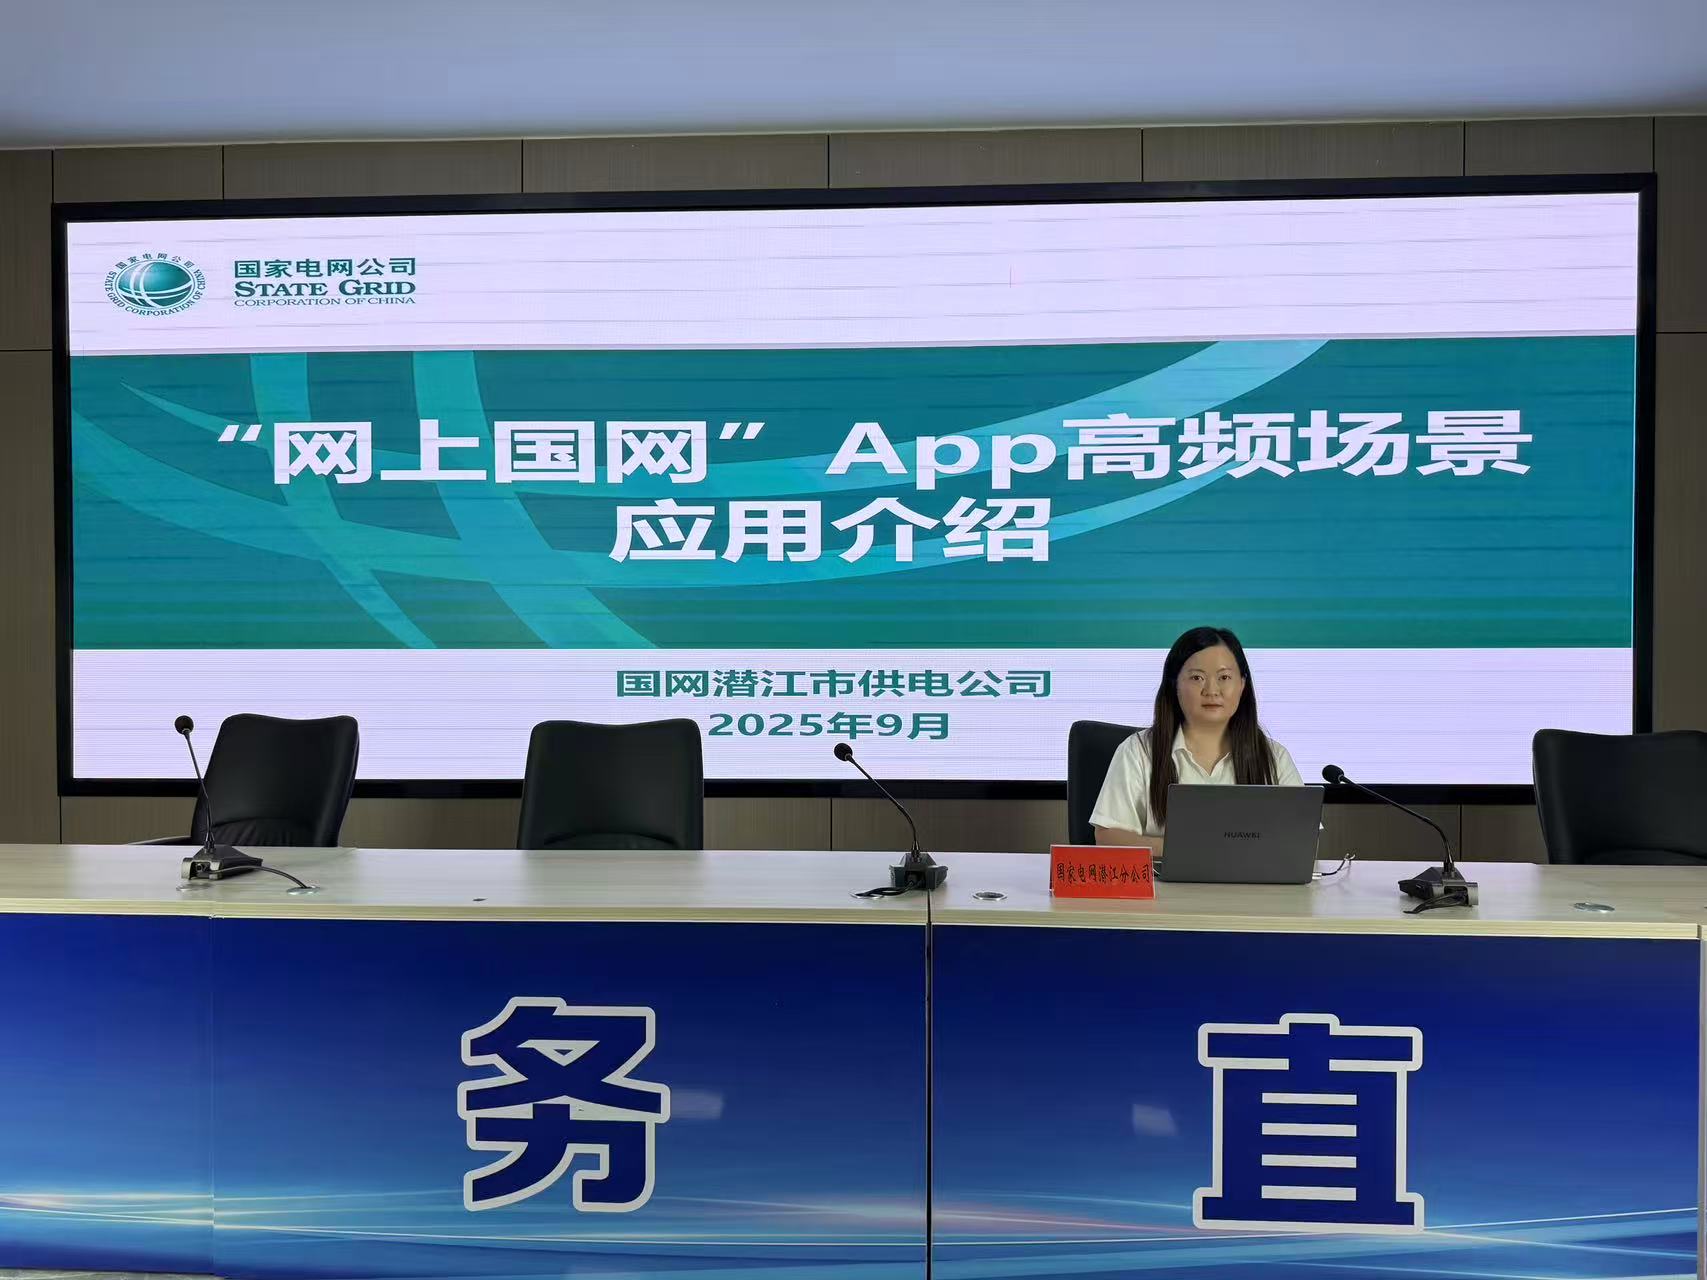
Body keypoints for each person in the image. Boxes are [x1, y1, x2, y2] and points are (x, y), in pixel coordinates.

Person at [1090, 626, 1302, 851]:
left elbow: (1303, 836)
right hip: (1164, 875)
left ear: (1242, 684)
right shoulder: (1138, 751)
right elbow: (1108, 836)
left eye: (1224, 677)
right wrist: (1192, 849)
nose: (1212, 690)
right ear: (1174, 685)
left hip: (1253, 875)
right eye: (1197, 677)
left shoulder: (1274, 757)